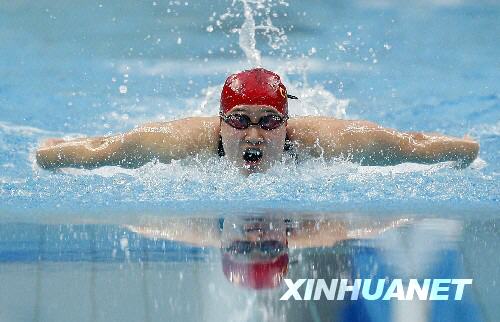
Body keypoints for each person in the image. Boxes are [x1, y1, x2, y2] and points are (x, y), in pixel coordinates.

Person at [36, 68, 479, 175]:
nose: (252, 135)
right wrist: (50, 155)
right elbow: (105, 148)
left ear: (287, 124)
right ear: (220, 122)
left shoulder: (332, 141)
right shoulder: (175, 143)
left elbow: (409, 144)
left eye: (269, 122)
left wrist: (465, 150)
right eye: (238, 121)